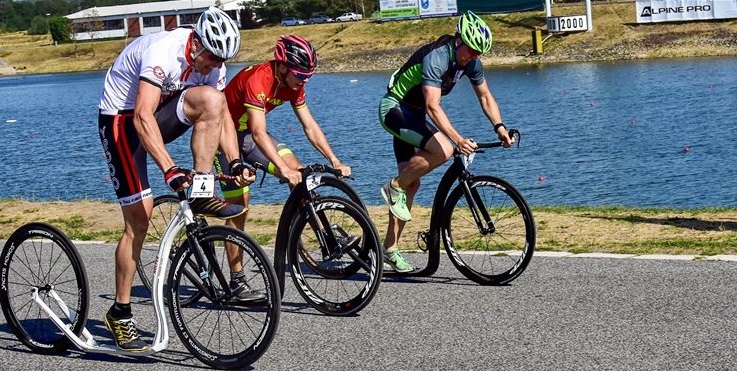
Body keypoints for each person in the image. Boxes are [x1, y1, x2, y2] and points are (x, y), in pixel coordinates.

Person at [98, 7, 255, 350]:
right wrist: (170, 168)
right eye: (212, 59)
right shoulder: (163, 51)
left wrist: (234, 161)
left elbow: (222, 116)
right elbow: (141, 116)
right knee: (140, 219)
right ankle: (120, 313)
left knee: (213, 99)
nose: (215, 66)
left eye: (221, 61)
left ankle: (201, 189)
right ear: (196, 43)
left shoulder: (214, 64)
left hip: (159, 113)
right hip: (123, 122)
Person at [378, 11, 515, 272]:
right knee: (444, 149)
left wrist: (500, 127)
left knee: (412, 183)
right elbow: (432, 106)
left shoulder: (470, 62)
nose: (474, 57)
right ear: (459, 40)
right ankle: (393, 186)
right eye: (472, 51)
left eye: (479, 54)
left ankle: (389, 248)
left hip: (413, 115)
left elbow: (485, 97)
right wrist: (458, 139)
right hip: (394, 110)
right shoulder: (437, 57)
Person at [218, 34, 351, 216]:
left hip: (247, 135)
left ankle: (302, 236)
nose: (306, 80)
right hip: (224, 136)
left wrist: (334, 161)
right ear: (282, 67)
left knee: (299, 173)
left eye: (309, 75)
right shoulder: (258, 80)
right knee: (240, 208)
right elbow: (259, 133)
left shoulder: (294, 84)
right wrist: (282, 169)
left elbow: (309, 125)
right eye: (301, 75)